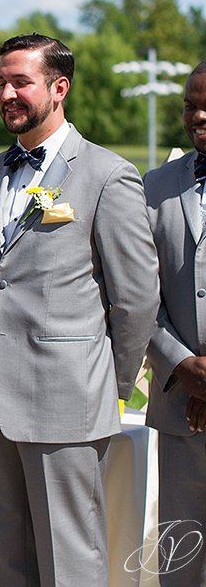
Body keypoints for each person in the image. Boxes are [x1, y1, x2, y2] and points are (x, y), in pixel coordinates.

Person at [0, 33, 158, 587]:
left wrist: (106, 384)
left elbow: (137, 297)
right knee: (2, 560)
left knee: (70, 561)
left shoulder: (106, 174)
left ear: (59, 87)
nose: (7, 94)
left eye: (20, 82)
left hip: (68, 400)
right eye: (1, 82)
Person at [142, 62, 206, 587]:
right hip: (177, 404)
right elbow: (136, 293)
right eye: (189, 103)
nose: (198, 115)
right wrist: (180, 362)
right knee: (181, 563)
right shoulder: (155, 186)